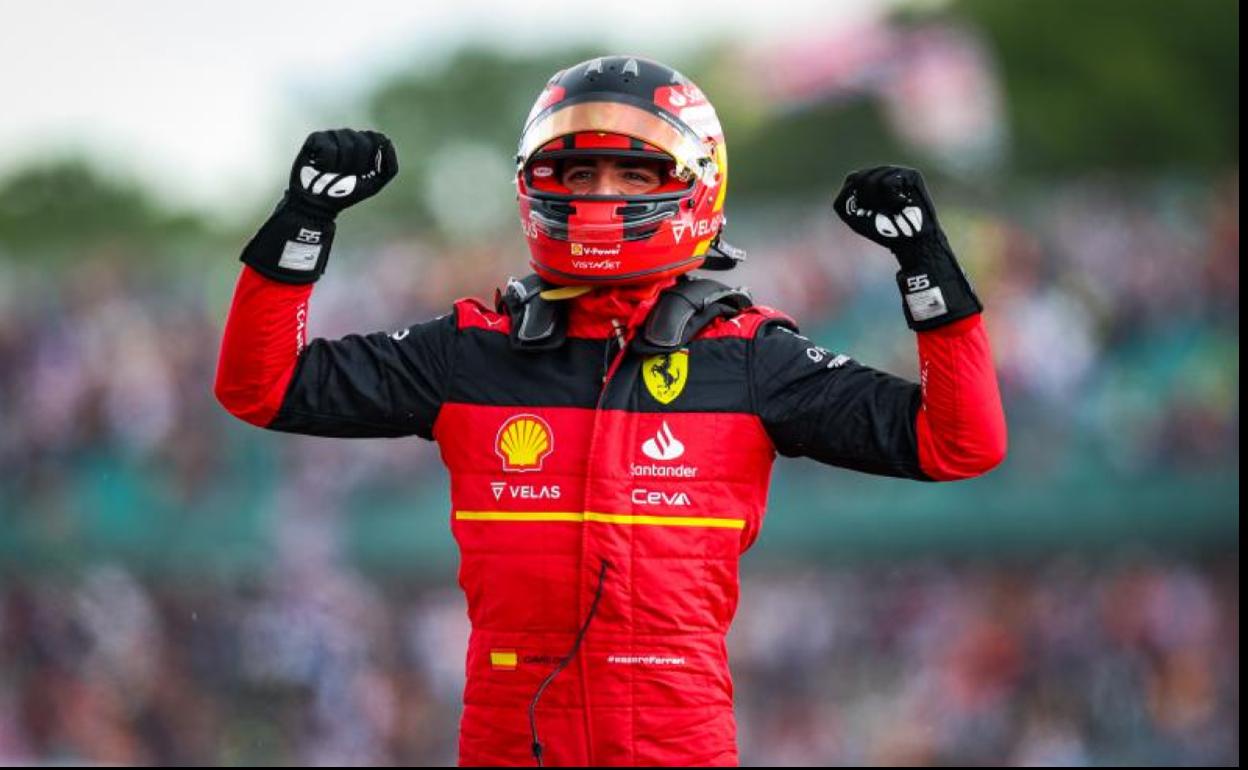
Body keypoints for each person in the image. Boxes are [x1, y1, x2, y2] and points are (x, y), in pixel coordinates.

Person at [215, 55, 1006, 767]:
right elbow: (261, 387)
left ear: (697, 184)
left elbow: (959, 443)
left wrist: (926, 272)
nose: (600, 197)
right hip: (506, 736)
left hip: (678, 739)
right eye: (578, 173)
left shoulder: (753, 358)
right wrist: (302, 224)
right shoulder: (468, 351)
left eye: (633, 176)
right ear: (535, 182)